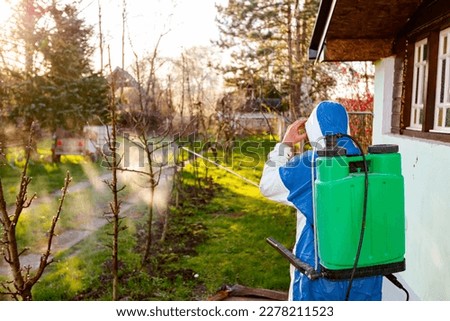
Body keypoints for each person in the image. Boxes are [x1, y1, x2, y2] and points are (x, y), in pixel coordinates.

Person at [259, 100, 382, 301]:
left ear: (313, 129)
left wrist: (285, 145)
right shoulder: (372, 162)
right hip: (366, 272)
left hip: (318, 273)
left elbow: (267, 185)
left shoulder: (310, 164)